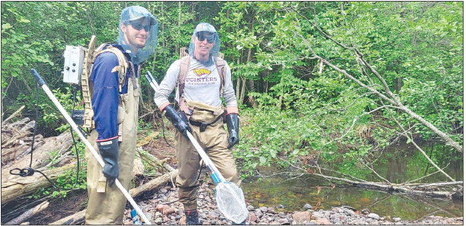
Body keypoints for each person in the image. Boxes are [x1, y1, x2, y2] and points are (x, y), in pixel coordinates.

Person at [154, 22, 241, 225]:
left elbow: (230, 97)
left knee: (230, 174)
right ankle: (191, 214)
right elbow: (160, 96)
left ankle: (237, 215)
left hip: (215, 127)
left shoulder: (221, 66)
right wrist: (177, 120)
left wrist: (234, 126)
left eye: (209, 38)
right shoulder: (180, 66)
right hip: (188, 129)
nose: (204, 41)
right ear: (194, 39)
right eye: (201, 37)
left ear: (214, 42)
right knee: (187, 176)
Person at [85, 6, 158, 224]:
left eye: (146, 28)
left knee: (116, 202)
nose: (143, 32)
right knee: (103, 208)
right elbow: (105, 110)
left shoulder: (129, 61)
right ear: (123, 27)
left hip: (121, 146)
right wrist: (108, 156)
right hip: (109, 146)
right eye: (137, 26)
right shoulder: (110, 60)